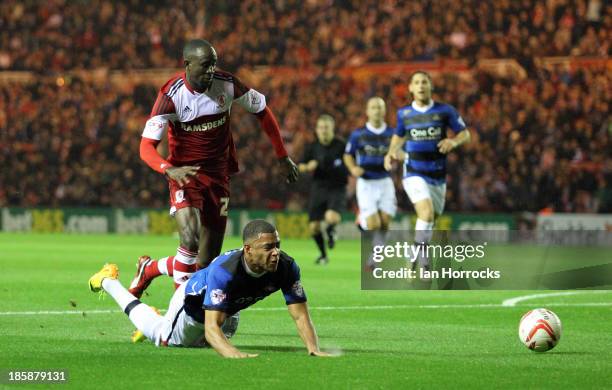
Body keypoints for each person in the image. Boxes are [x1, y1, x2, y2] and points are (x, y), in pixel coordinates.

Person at [130, 39, 299, 297]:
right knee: (189, 240)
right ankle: (182, 314)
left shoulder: (228, 84)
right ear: (187, 64)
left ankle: (150, 269)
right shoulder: (170, 96)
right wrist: (168, 169)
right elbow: (146, 147)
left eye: (213, 65)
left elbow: (263, 111)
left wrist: (281, 156)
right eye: (205, 65)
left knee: (206, 261)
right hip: (184, 175)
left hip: (218, 175)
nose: (210, 71)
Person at [88, 220, 332, 358]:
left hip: (228, 311)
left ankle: (161, 319)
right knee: (163, 339)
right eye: (268, 247)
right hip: (193, 308)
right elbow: (210, 326)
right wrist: (233, 354)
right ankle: (108, 281)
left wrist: (314, 350)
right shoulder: (224, 271)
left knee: (207, 340)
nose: (276, 252)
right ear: (248, 250)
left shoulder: (286, 266)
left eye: (277, 245)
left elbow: (300, 314)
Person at [384, 71, 471, 271]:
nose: (421, 86)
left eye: (424, 82)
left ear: (431, 86)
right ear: (411, 88)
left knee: (432, 216)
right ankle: (420, 259)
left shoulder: (445, 111)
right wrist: (390, 153)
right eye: (417, 82)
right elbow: (399, 136)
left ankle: (414, 252)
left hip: (438, 175)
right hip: (414, 171)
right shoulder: (404, 114)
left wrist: (453, 141)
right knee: (427, 212)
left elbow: (465, 134)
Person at [344, 97, 396, 268]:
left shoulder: (392, 134)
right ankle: (363, 220)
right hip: (366, 182)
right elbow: (347, 155)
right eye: (373, 107)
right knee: (375, 224)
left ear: (384, 110)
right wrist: (352, 168)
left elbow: (399, 151)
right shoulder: (358, 134)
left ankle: (374, 259)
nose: (377, 110)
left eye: (380, 107)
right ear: (367, 111)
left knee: (385, 223)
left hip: (385, 181)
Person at [298, 115, 348, 265]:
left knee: (331, 217)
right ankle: (323, 254)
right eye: (321, 128)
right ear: (317, 130)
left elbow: (350, 160)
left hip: (337, 186)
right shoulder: (312, 147)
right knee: (313, 227)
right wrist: (307, 167)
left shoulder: (341, 145)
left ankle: (331, 231)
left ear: (332, 128)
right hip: (319, 187)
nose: (323, 131)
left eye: (326, 127)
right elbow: (299, 165)